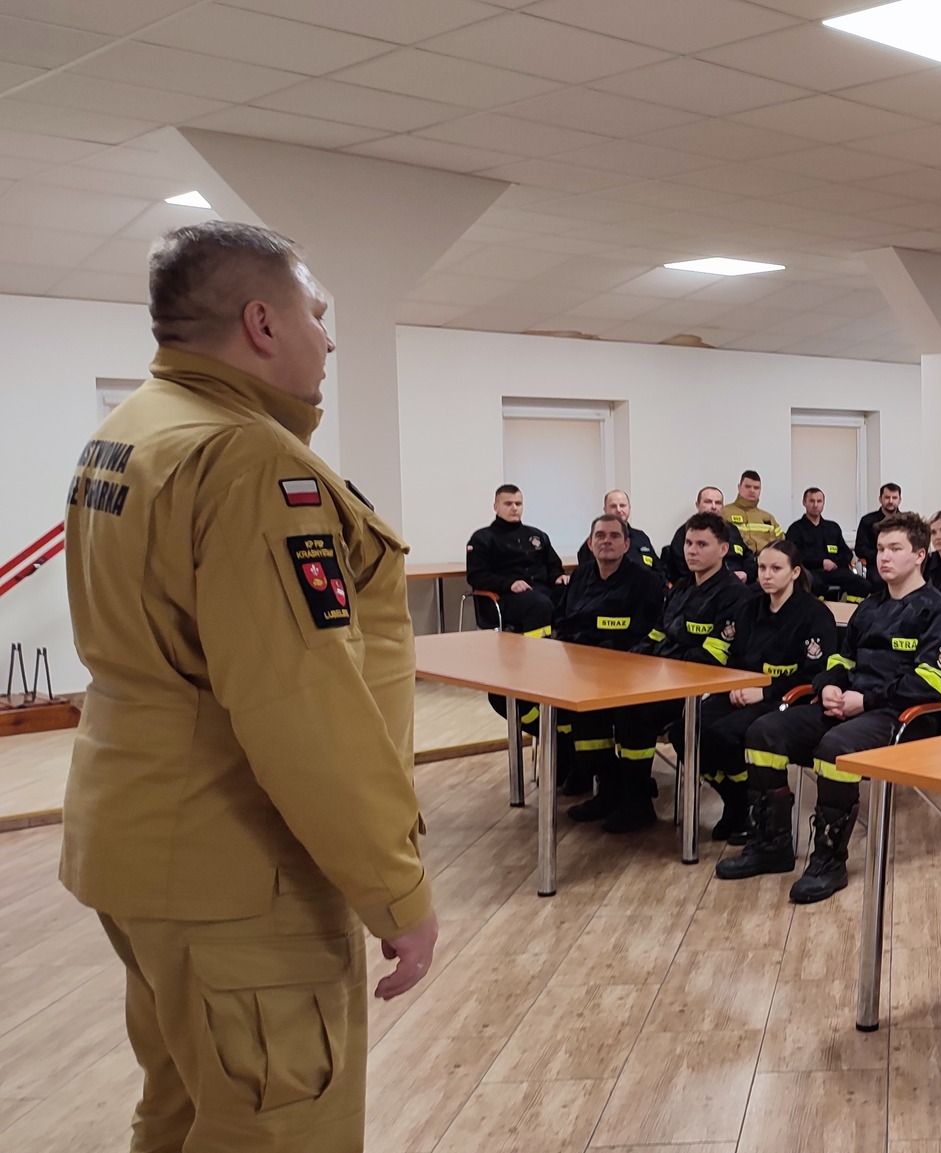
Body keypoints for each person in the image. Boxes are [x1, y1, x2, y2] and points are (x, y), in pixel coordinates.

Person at [63, 220, 435, 1150]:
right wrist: (395, 890)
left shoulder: (130, 431)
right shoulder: (248, 462)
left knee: (186, 1106)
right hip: (235, 866)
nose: (330, 340)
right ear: (263, 323)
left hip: (139, 844)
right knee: (279, 1127)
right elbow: (303, 710)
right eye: (317, 314)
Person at [741, 512, 941, 904]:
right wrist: (829, 685)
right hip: (849, 706)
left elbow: (928, 685)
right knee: (764, 732)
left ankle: (829, 861)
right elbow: (841, 660)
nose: (884, 557)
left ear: (919, 555)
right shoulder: (869, 606)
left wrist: (865, 700)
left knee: (836, 749)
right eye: (880, 549)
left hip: (905, 718)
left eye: (895, 549)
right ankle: (771, 844)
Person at [709, 540, 840, 880]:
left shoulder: (814, 614)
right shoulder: (750, 607)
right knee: (689, 727)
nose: (766, 575)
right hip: (743, 691)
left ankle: (763, 828)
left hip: (785, 699)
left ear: (795, 572)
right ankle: (737, 803)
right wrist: (736, 685)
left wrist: (763, 691)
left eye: (776, 568)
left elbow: (814, 675)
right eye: (762, 568)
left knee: (727, 733)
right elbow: (736, 657)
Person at [631, 512, 758, 834]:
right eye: (689, 543)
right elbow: (658, 633)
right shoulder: (680, 588)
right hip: (665, 680)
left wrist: (662, 664)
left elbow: (714, 656)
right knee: (623, 710)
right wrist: (634, 659)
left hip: (706, 687)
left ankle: (739, 802)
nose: (692, 550)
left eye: (702, 544)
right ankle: (632, 797)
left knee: (665, 724)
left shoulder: (735, 595)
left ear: (723, 549)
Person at [551, 514, 669, 801]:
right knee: (527, 700)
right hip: (575, 667)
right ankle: (588, 771)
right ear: (590, 543)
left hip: (623, 674)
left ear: (627, 544)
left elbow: (640, 635)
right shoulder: (580, 576)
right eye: (600, 536)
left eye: (615, 536)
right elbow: (562, 620)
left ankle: (619, 786)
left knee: (598, 716)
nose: (607, 541)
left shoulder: (645, 582)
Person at [466, 483, 566, 633]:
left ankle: (572, 644)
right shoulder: (483, 538)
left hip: (541, 590)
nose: (514, 508)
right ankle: (537, 646)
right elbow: (477, 576)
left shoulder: (537, 535)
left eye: (518, 504)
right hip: (505, 597)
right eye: (508, 504)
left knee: (574, 596)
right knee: (540, 604)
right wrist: (509, 584)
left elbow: (553, 565)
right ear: (496, 507)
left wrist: (558, 576)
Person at [785, 486, 870, 600]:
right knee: (815, 585)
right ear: (804, 502)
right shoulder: (795, 529)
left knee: (863, 585)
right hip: (810, 572)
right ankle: (819, 608)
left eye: (819, 501)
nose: (815, 505)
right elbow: (794, 556)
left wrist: (834, 563)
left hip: (835, 571)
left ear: (823, 503)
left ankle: (850, 609)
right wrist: (821, 563)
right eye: (812, 501)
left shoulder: (832, 528)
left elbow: (847, 554)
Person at [666, 486, 754, 584]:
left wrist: (746, 574)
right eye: (708, 502)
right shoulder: (687, 532)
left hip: (739, 583)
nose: (713, 507)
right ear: (698, 505)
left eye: (718, 503)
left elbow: (748, 556)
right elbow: (681, 570)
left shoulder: (732, 530)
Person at [575, 489, 657, 569]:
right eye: (613, 506)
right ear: (605, 510)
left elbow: (657, 567)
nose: (618, 510)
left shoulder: (641, 537)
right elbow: (587, 573)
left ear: (629, 508)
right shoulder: (596, 543)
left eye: (622, 505)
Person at [726, 469, 783, 554]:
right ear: (739, 487)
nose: (752, 491)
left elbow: (783, 544)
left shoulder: (769, 518)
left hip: (765, 561)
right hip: (735, 560)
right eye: (747, 486)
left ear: (760, 490)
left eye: (756, 488)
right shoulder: (724, 513)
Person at [853, 481, 902, 573]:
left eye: (894, 498)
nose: (891, 501)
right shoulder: (867, 520)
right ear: (880, 499)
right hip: (876, 565)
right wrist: (881, 556)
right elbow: (860, 548)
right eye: (887, 497)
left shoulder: (906, 522)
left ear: (900, 500)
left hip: (900, 565)